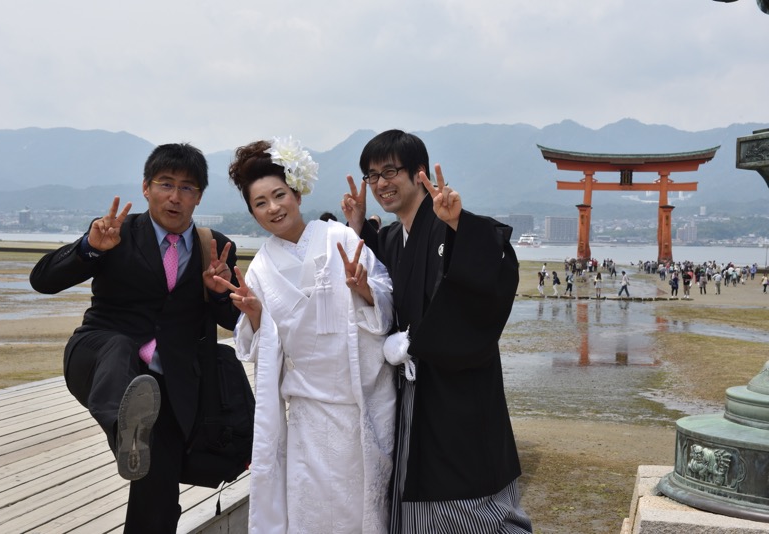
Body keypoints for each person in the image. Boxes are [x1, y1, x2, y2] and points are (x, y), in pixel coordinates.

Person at [29, 143, 240, 533]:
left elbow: (233, 319)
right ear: (146, 188)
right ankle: (123, 426)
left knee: (156, 498)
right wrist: (89, 250)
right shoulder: (115, 232)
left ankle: (135, 437)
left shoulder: (215, 246)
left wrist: (216, 290)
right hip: (98, 360)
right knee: (120, 346)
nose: (175, 197)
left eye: (187, 188)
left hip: (167, 387)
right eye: (165, 184)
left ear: (199, 196)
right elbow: (42, 279)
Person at [341, 129, 531, 533]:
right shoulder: (391, 238)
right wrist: (357, 228)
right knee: (412, 496)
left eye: (389, 171)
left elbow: (489, 272)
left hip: (456, 392)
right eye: (371, 176)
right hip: (411, 396)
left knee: (467, 498)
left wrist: (460, 224)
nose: (380, 184)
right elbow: (379, 288)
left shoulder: (448, 224)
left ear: (419, 174)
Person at [221, 137, 396, 533]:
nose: (273, 208)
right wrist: (256, 316)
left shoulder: (343, 239)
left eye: (279, 194)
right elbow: (254, 348)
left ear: (297, 193)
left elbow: (385, 307)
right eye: (260, 203)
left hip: (359, 401)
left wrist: (365, 290)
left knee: (363, 508)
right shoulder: (261, 269)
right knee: (311, 510)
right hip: (308, 412)